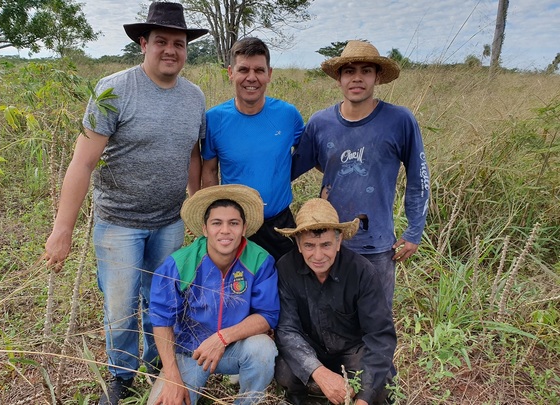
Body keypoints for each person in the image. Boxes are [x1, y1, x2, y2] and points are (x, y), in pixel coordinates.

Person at [42, 3, 208, 403]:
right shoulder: (114, 89)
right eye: (162, 42)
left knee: (161, 300)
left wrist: (198, 213)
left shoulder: (195, 97)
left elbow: (193, 158)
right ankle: (121, 374)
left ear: (187, 49)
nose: (171, 50)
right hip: (117, 221)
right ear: (142, 44)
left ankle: (157, 366)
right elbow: (83, 162)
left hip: (169, 221)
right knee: (120, 306)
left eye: (179, 43)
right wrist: (61, 229)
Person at [291, 40, 430, 310]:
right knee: (329, 318)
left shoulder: (399, 120)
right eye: (349, 71)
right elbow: (290, 169)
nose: (357, 78)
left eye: (366, 71)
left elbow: (419, 177)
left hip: (376, 244)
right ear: (339, 79)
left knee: (375, 321)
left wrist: (414, 230)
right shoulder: (320, 123)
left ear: (377, 77)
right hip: (327, 243)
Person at [147, 184, 280, 405]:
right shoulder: (180, 264)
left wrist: (222, 338)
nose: (225, 231)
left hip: (236, 346)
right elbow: (161, 319)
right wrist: (172, 377)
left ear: (244, 228)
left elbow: (267, 314)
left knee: (263, 349)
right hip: (191, 351)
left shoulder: (260, 260)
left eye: (233, 223)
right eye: (217, 223)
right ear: (205, 228)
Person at [274, 198, 396, 405]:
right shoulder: (285, 268)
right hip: (309, 347)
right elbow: (287, 329)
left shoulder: (362, 271)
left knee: (381, 387)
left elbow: (379, 336)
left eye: (326, 245)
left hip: (353, 349)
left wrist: (364, 399)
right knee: (285, 372)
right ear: (299, 245)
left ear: (339, 242)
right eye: (309, 245)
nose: (318, 255)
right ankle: (306, 398)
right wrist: (319, 372)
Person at [201, 37, 305, 261]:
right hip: (236, 227)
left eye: (259, 70)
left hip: (280, 225)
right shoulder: (214, 119)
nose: (251, 78)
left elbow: (308, 153)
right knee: (237, 292)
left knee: (286, 291)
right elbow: (209, 170)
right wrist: (211, 217)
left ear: (269, 73)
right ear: (230, 72)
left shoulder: (288, 115)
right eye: (243, 69)